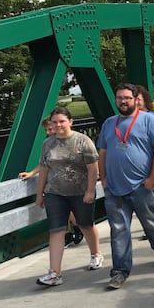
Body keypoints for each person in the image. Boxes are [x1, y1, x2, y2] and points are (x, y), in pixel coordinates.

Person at [97, 83, 154, 290]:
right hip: (114, 188)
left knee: (151, 224)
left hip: (141, 185)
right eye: (119, 98)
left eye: (127, 98)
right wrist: (103, 178)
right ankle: (120, 271)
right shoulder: (108, 124)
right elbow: (102, 153)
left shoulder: (149, 120)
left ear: (136, 99)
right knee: (119, 230)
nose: (123, 101)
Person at [33, 107, 102, 286]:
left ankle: (96, 253)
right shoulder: (47, 144)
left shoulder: (82, 141)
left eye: (62, 121)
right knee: (56, 231)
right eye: (55, 122)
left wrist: (90, 191)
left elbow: (93, 168)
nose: (58, 125)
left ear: (70, 122)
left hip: (80, 192)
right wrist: (39, 194)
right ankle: (54, 273)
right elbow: (44, 169)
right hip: (55, 193)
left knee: (85, 224)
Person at [20, 116, 85, 246]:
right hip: (53, 182)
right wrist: (31, 173)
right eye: (46, 130)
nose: (48, 132)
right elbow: (44, 163)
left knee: (67, 208)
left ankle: (78, 226)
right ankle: (68, 233)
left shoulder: (68, 140)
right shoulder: (48, 143)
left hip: (68, 181)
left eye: (50, 129)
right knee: (61, 209)